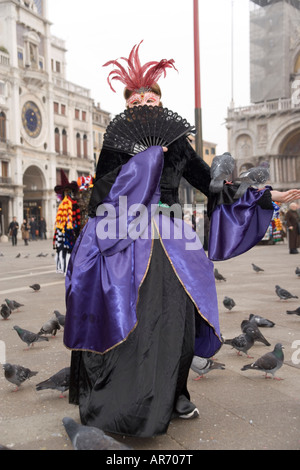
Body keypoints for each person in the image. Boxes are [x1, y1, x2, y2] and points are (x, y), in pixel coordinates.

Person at [63, 42, 300, 438]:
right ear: (128, 106)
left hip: (173, 236)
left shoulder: (178, 145)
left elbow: (211, 184)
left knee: (177, 317)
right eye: (136, 98)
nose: (144, 102)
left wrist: (263, 193)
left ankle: (175, 393)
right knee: (135, 316)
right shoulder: (118, 141)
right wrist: (142, 166)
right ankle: (129, 400)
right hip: (127, 234)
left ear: (160, 102)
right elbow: (101, 194)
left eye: (151, 96)